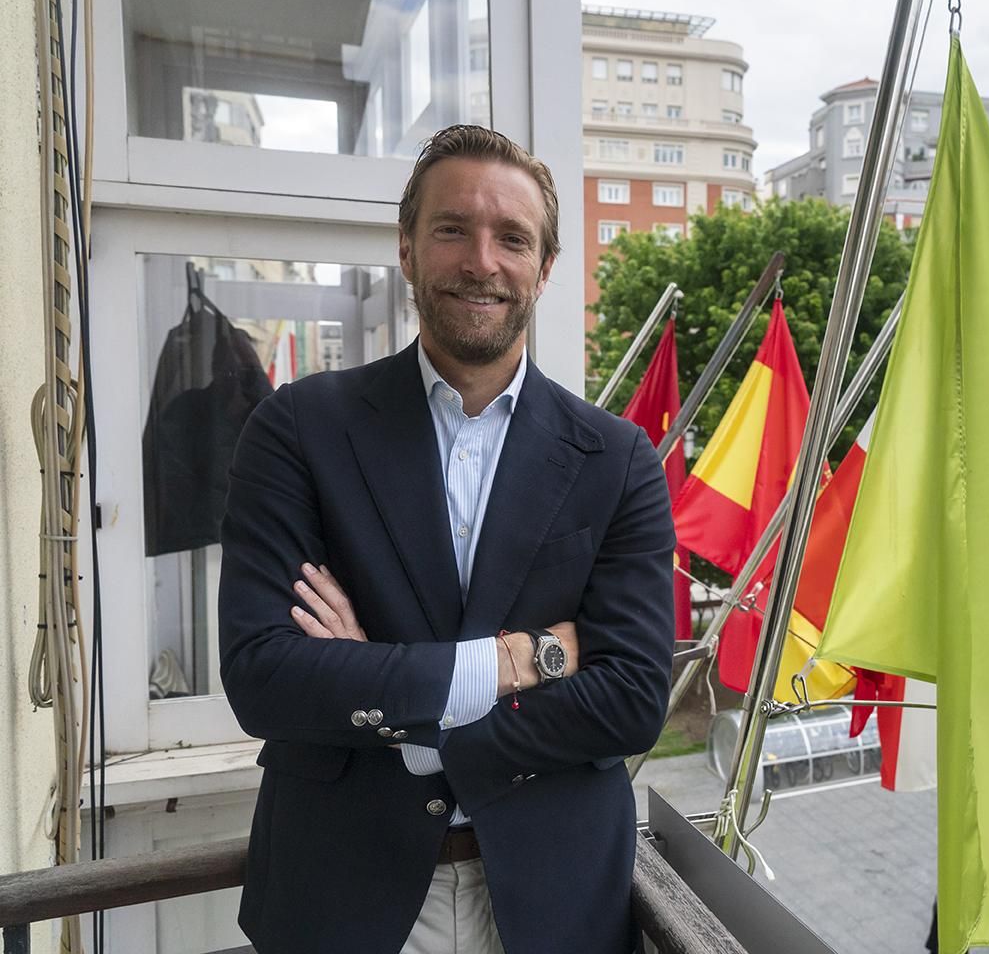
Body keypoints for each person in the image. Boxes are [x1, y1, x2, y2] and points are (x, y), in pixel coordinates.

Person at [219, 125, 675, 954]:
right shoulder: (297, 429)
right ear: (406, 248)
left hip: (555, 900)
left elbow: (636, 696)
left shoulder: (617, 457)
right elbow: (266, 679)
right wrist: (506, 664)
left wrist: (409, 717)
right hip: (341, 893)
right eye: (452, 228)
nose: (482, 260)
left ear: (544, 268)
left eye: (512, 238)